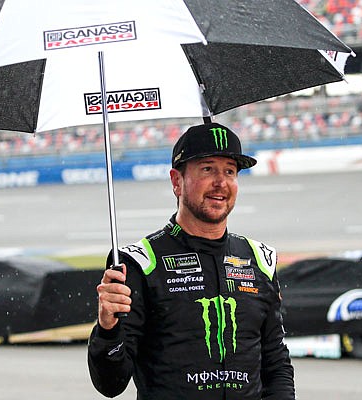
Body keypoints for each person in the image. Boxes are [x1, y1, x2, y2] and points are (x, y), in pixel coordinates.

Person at [87, 122, 295, 399]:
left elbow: (276, 364)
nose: (220, 182)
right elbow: (110, 384)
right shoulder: (138, 262)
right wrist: (107, 329)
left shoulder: (260, 259)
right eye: (207, 169)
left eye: (230, 171)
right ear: (177, 181)